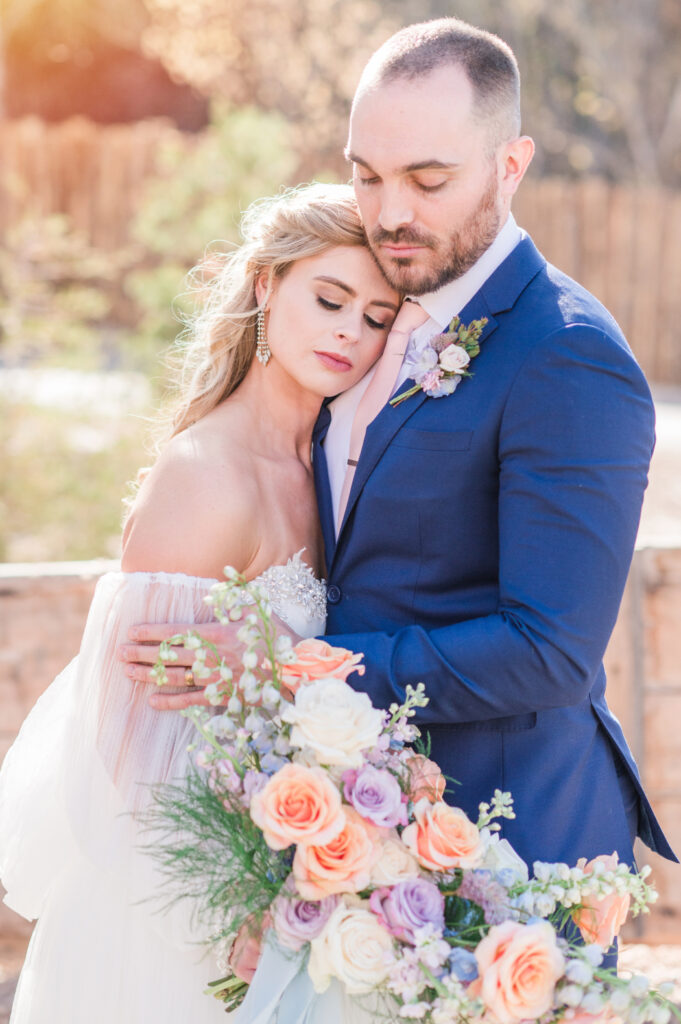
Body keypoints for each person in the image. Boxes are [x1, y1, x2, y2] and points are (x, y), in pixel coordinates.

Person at [127, 18, 675, 879]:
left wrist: (294, 665)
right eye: (367, 174)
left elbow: (549, 650)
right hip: (347, 835)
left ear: (510, 165)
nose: (390, 212)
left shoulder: (566, 357)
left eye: (427, 179)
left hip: (507, 844)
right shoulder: (369, 315)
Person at [0, 182, 399, 1023]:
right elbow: (126, 724)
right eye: (329, 299)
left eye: (374, 317)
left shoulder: (330, 469)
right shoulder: (203, 474)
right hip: (181, 916)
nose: (348, 332)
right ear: (266, 287)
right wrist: (232, 908)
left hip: (297, 886)